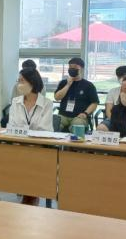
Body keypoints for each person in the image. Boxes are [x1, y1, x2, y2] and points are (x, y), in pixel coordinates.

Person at [9, 68, 53, 206]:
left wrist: (24, 133)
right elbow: (12, 125)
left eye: (22, 81)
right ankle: (28, 195)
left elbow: (44, 129)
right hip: (19, 146)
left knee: (31, 160)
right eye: (18, 81)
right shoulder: (15, 101)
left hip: (38, 148)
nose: (19, 84)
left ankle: (30, 197)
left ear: (32, 82)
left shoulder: (47, 103)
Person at [53, 57, 99, 132]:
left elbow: (94, 103)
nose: (72, 69)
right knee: (53, 123)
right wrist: (68, 85)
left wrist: (85, 113)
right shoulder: (63, 83)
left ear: (82, 69)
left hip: (79, 116)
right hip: (63, 115)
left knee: (77, 125)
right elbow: (57, 97)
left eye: (75, 67)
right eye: (70, 67)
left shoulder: (88, 85)